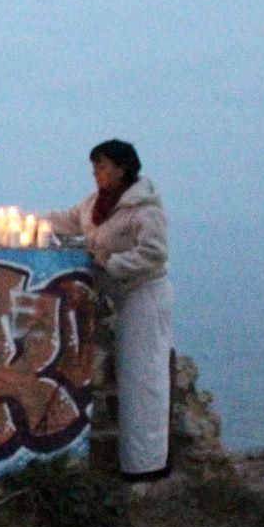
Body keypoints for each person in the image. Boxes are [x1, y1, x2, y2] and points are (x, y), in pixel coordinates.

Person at [44, 139, 173, 481]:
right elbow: (67, 221)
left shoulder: (144, 209)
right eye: (94, 167)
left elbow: (154, 254)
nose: (95, 173)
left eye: (101, 166)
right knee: (130, 378)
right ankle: (134, 462)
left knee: (144, 378)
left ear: (122, 168)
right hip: (120, 295)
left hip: (144, 294)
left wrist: (110, 263)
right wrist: (26, 221)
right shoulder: (95, 203)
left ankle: (147, 465)